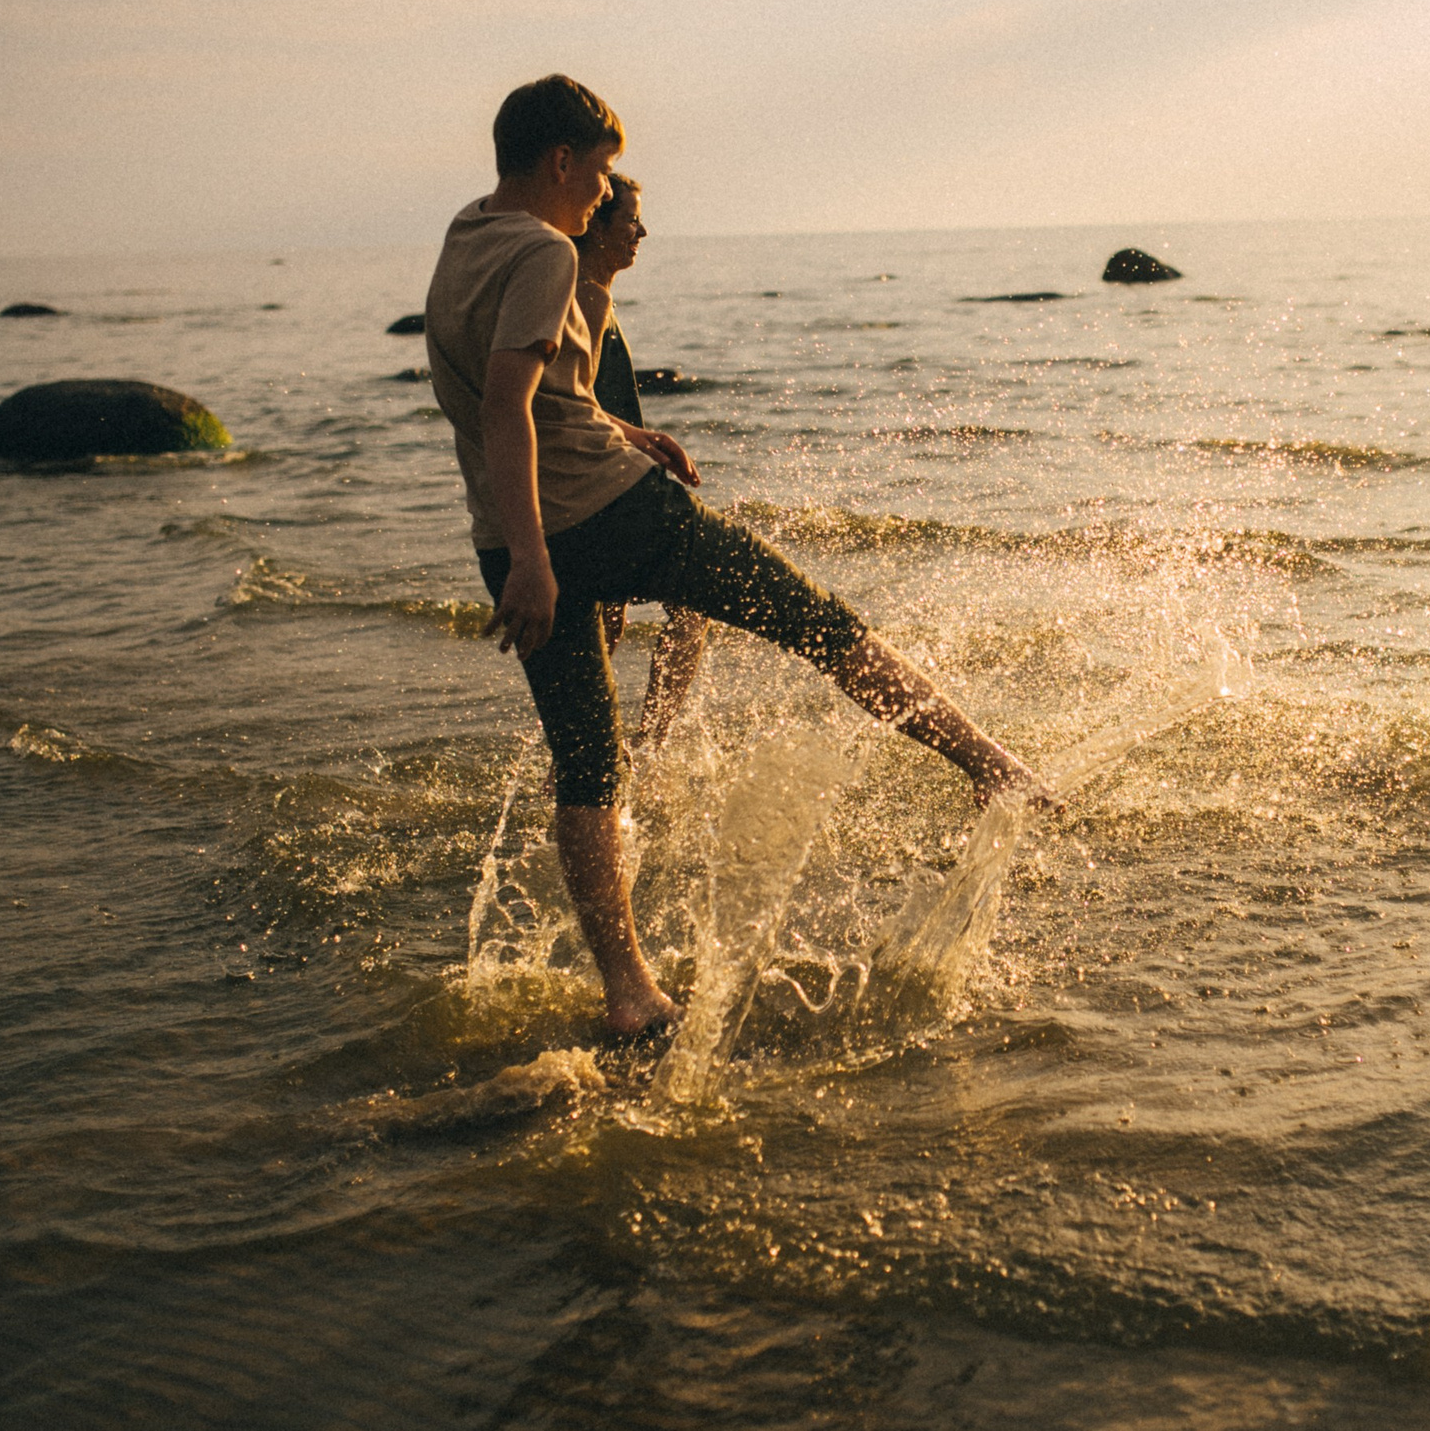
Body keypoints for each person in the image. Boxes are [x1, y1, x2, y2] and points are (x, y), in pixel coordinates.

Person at [424, 75, 1052, 1039]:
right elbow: (507, 408)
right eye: (598, 173)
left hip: (505, 531)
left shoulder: (465, 237)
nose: (603, 194)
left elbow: (515, 400)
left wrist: (612, 443)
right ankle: (994, 767)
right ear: (559, 161)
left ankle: (628, 990)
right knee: (820, 622)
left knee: (588, 766)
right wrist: (543, 558)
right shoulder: (548, 252)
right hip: (597, 521)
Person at [574, 174, 708, 753]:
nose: (642, 231)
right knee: (694, 598)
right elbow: (563, 403)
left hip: (602, 486)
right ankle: (644, 748)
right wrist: (642, 438)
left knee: (605, 630)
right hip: (601, 489)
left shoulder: (588, 290)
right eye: (630, 220)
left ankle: (593, 761)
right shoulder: (585, 296)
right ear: (596, 226)